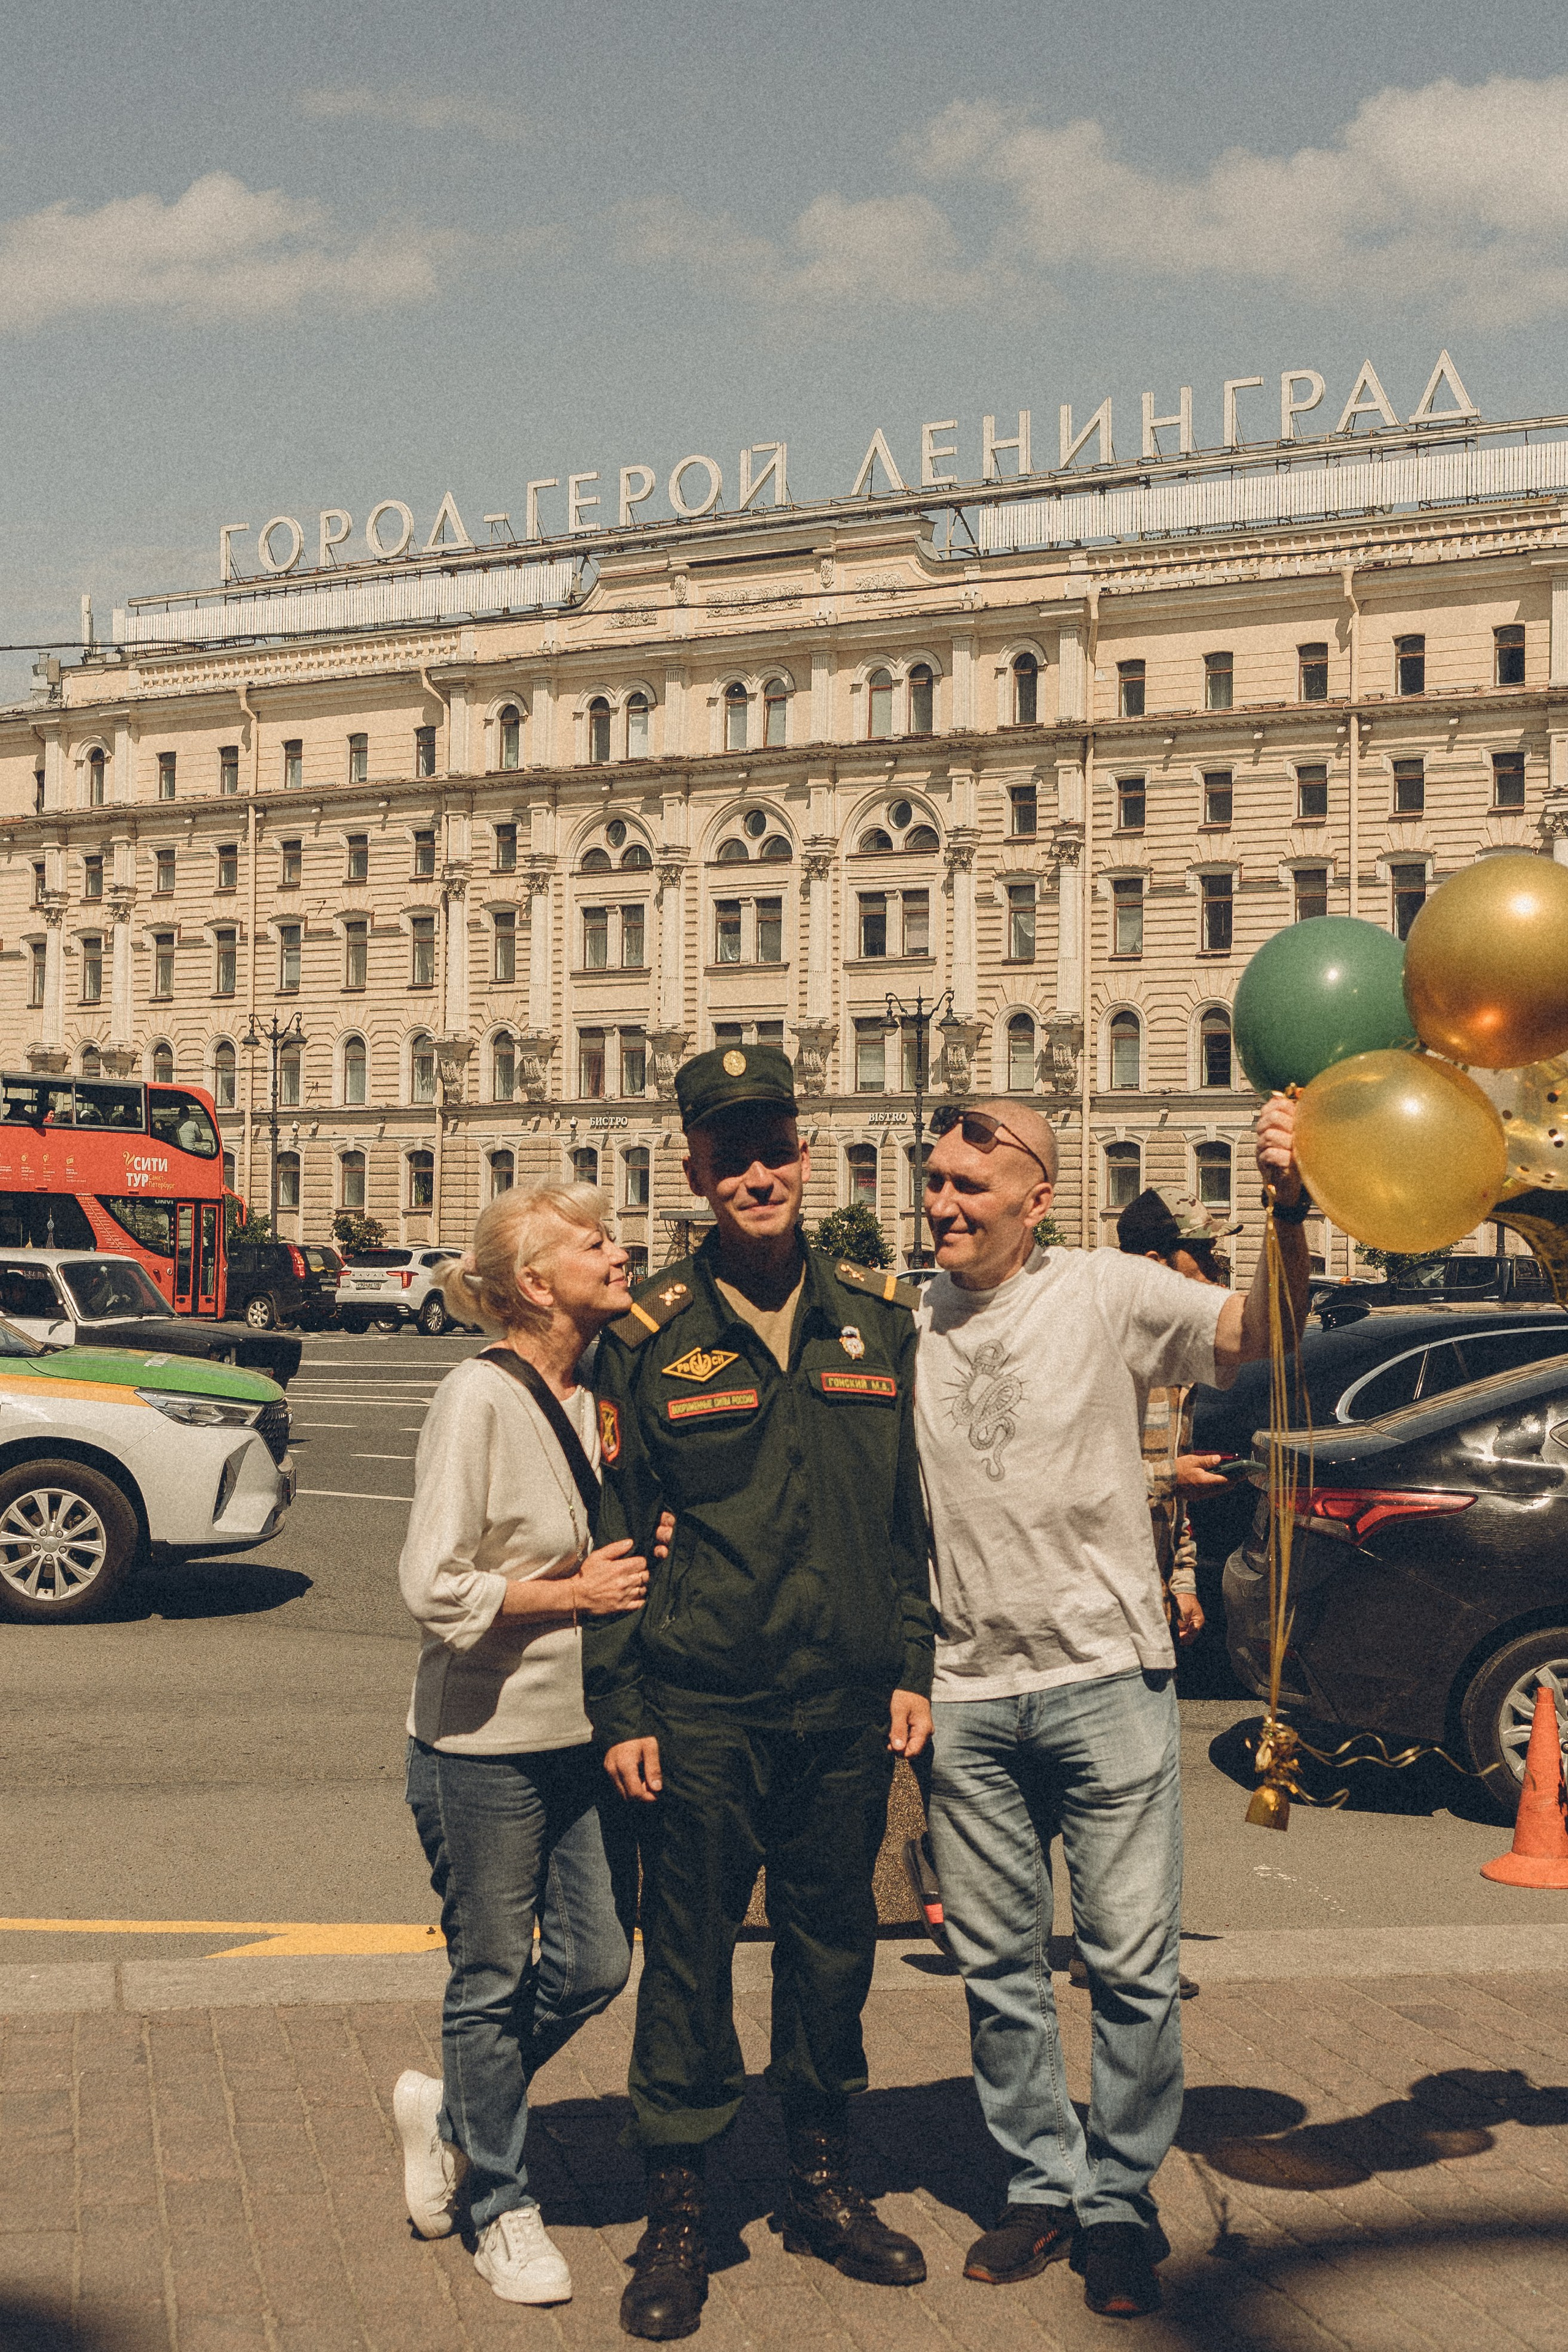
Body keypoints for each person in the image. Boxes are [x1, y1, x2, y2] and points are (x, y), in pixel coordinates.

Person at [916, 1095, 1310, 2319]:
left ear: (1035, 1199)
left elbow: (1262, 1332)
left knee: (1132, 1966)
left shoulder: (1104, 1289)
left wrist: (1288, 1207)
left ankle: (1119, 2201)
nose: (940, 1204)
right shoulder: (905, 1318)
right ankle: (1040, 2184)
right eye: (933, 1181)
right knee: (997, 1970)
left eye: (968, 1185)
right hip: (967, 1690)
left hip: (1105, 1678)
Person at [585, 1042, 937, 2342]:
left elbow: (907, 1519)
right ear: (694, 1169)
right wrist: (621, 1709)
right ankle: (678, 2208)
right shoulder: (649, 1334)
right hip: (702, 1704)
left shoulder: (877, 1320)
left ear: (807, 1152)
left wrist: (912, 1664)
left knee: (831, 1946)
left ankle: (821, 2181)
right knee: (686, 1956)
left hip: (843, 1702)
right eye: (728, 1154)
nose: (755, 1174)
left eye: (773, 1148)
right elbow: (616, 1535)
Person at [393, 1184, 669, 2307]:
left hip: (584, 1735)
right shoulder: (478, 1397)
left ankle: (455, 2114)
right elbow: (432, 1585)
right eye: (595, 1242)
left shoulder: (600, 1390)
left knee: (597, 1962)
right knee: (493, 1973)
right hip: (483, 1743)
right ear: (536, 1283)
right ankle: (500, 2206)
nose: (620, 1251)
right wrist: (572, 1594)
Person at [1115, 1186, 1243, 1649]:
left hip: (1153, 1601)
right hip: (1102, 1608)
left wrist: (1182, 1580)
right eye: (1202, 1254)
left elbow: (1172, 1502)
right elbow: (1068, 1482)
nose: (1216, 1269)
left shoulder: (1176, 1357)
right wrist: (1172, 1477)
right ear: (1155, 1264)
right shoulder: (1108, 1351)